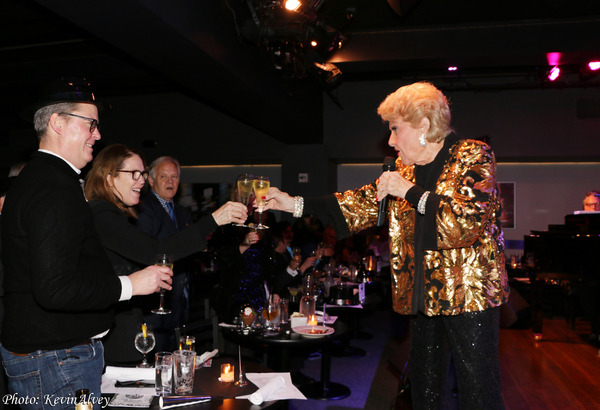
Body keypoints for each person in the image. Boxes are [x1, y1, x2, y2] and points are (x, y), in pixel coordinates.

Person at [264, 81, 509, 409]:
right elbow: (358, 204)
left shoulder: (473, 155)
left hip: (470, 297)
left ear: (423, 125)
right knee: (423, 391)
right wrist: (293, 203)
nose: (391, 140)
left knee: (478, 392)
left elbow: (465, 223)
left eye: (395, 129)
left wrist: (408, 191)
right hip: (423, 297)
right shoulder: (406, 170)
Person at [0, 77, 173, 409]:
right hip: (55, 361)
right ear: (57, 123)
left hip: (52, 358)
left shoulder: (44, 179)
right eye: (90, 124)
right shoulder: (52, 186)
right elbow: (54, 288)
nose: (98, 134)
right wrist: (130, 285)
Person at [84, 145, 248, 363]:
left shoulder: (111, 213)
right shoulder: (103, 213)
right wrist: (214, 219)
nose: (141, 180)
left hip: (123, 328)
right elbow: (155, 252)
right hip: (114, 335)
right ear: (109, 177)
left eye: (142, 174)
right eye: (134, 174)